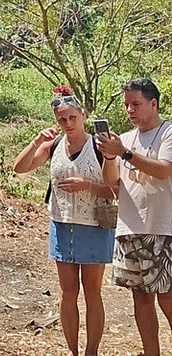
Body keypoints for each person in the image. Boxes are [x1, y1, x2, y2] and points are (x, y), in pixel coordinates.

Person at [12, 85, 116, 356]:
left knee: (92, 292)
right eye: (62, 119)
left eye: (73, 118)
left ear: (83, 115)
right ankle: (72, 350)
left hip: (93, 225)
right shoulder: (54, 145)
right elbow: (19, 168)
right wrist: (36, 141)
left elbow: (115, 189)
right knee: (67, 293)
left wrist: (87, 185)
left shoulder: (98, 145)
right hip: (61, 224)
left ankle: (91, 350)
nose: (68, 123)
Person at [97, 77, 172, 356]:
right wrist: (108, 156)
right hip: (129, 228)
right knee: (140, 298)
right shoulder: (124, 139)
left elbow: (164, 170)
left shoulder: (168, 133)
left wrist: (124, 153)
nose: (130, 110)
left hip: (162, 227)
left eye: (136, 104)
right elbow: (111, 182)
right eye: (127, 104)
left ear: (153, 104)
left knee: (167, 297)